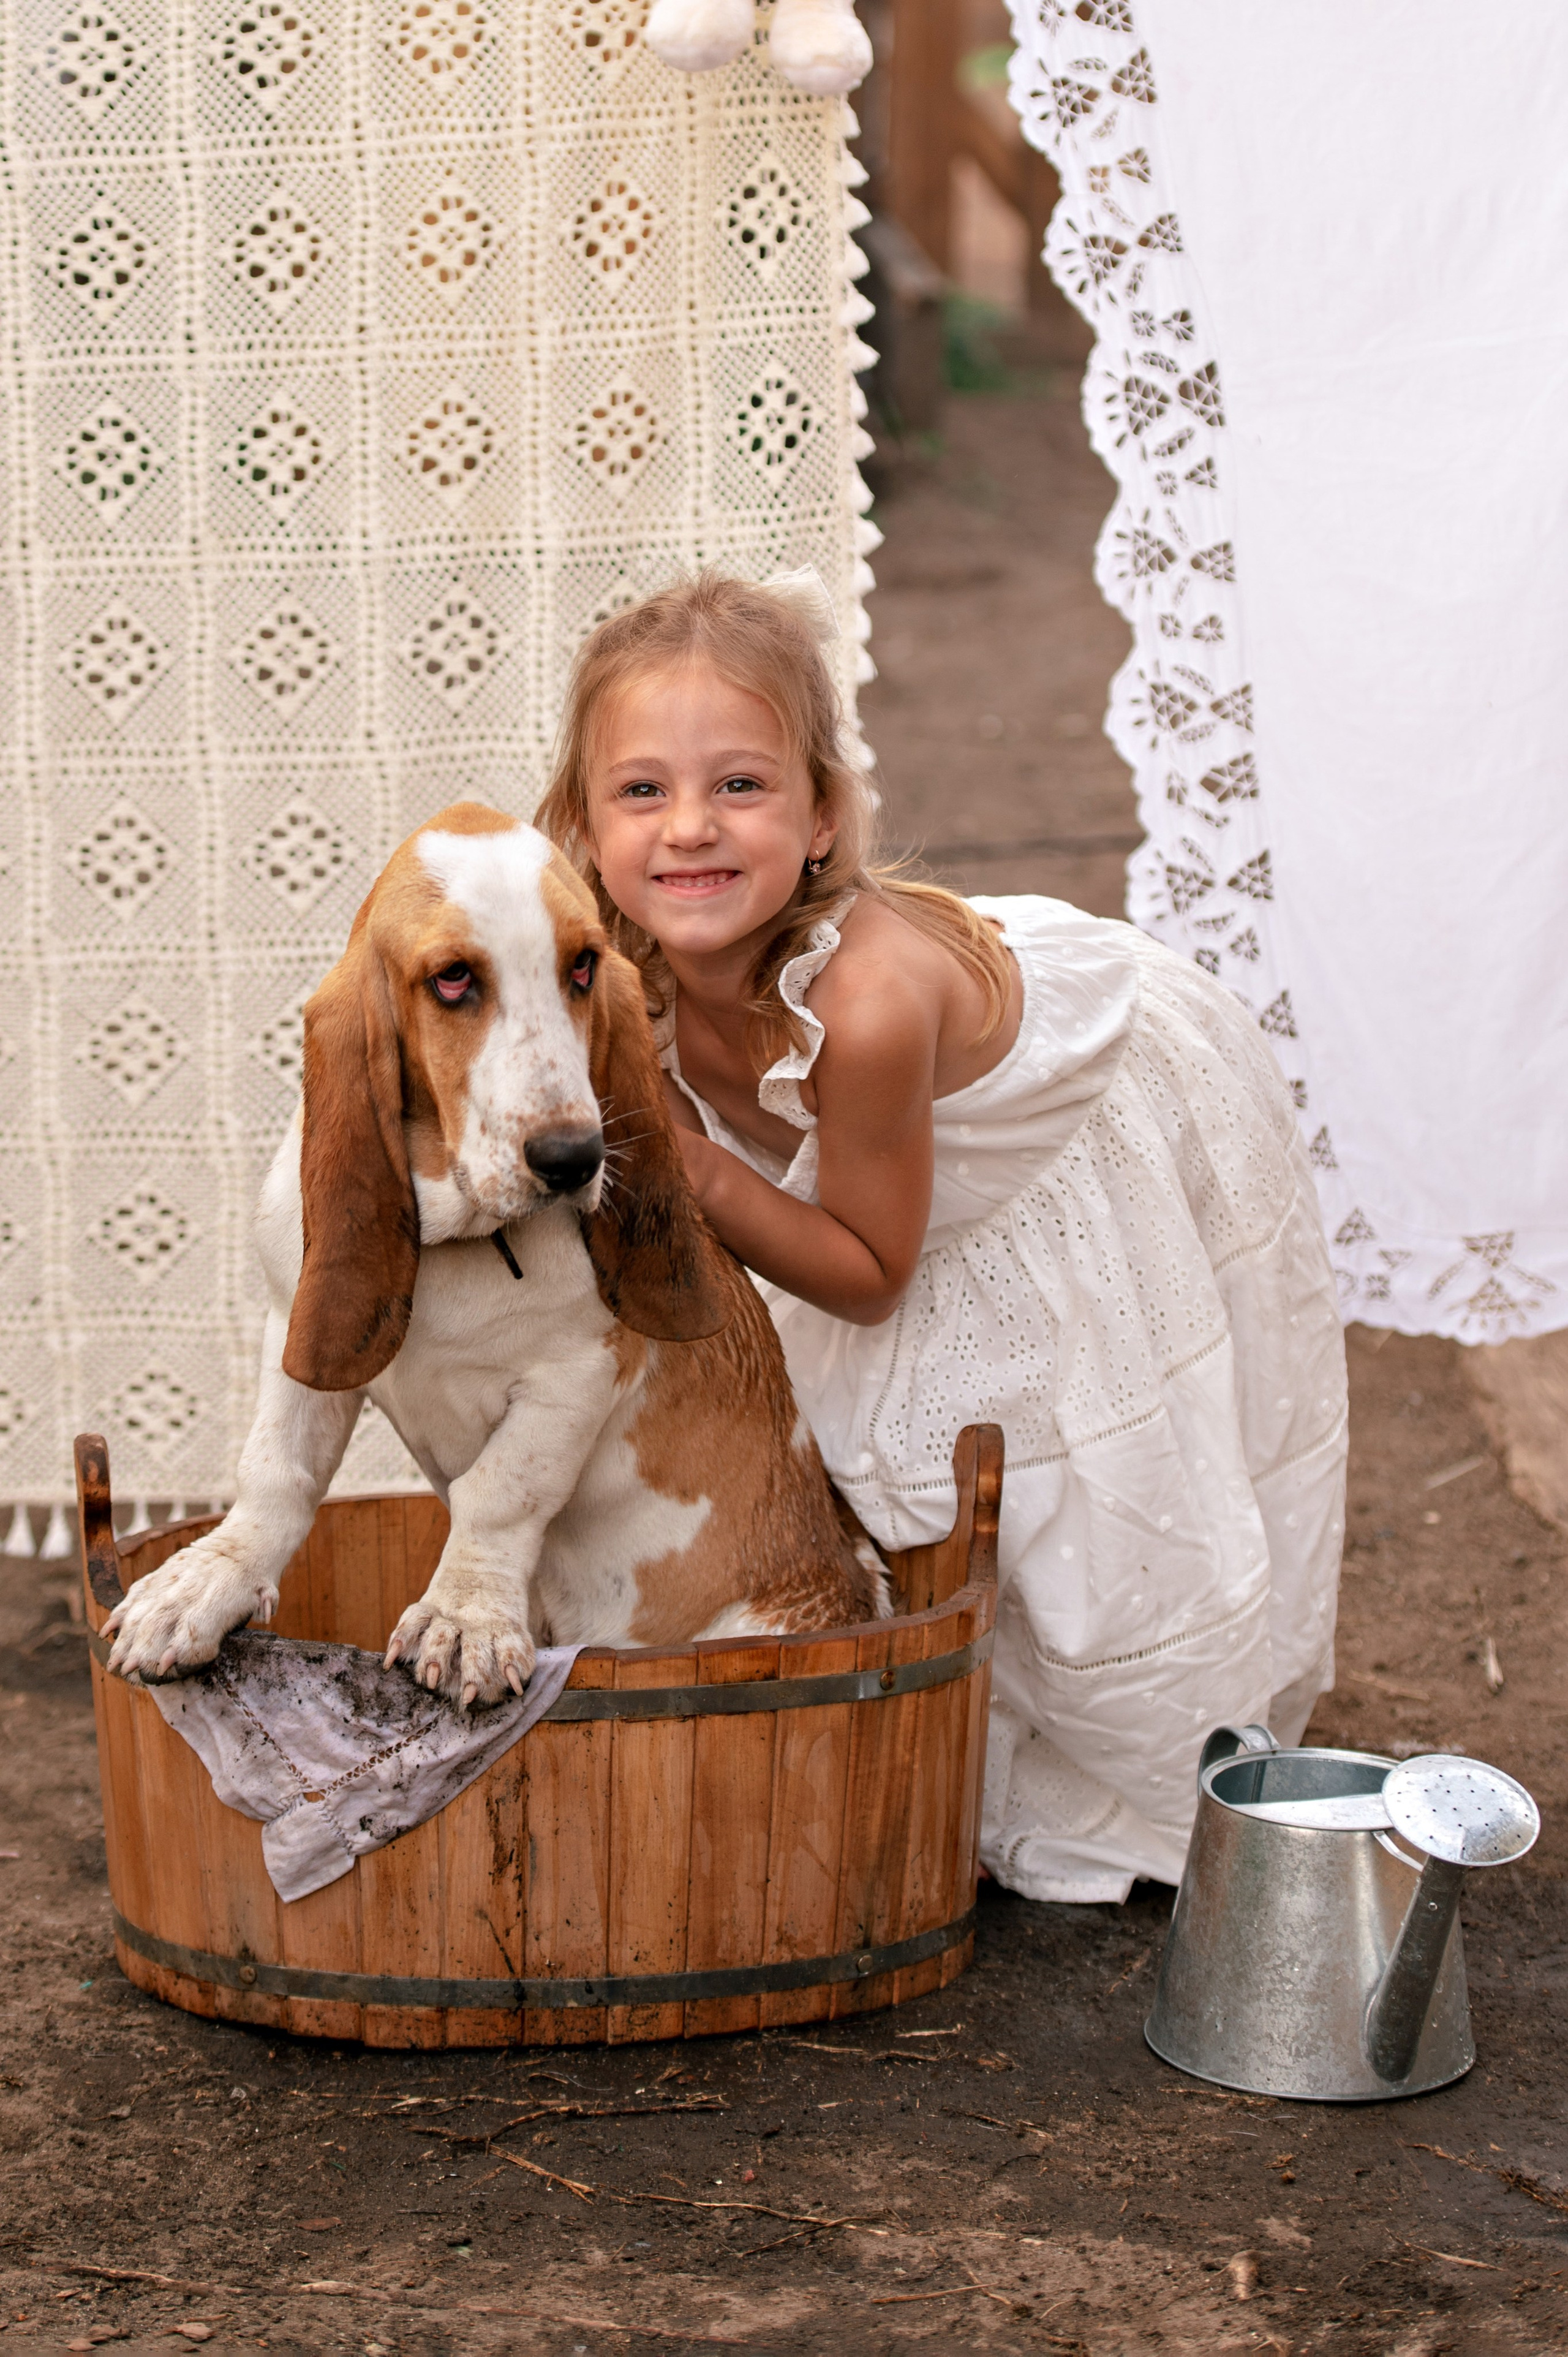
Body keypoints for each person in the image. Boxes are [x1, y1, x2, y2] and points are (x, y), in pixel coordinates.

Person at [536, 569, 1347, 1903]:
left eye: (739, 785)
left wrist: (699, 1178)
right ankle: (951, 1714)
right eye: (640, 792)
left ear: (821, 819)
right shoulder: (621, 973)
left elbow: (864, 1273)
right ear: (582, 825)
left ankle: (1121, 1750)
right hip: (878, 1178)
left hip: (1074, 1144)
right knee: (878, 1451)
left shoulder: (866, 1003)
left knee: (1058, 1471)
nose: (687, 826)